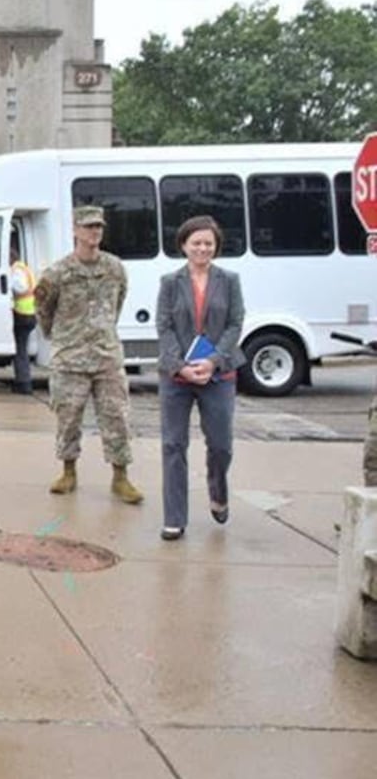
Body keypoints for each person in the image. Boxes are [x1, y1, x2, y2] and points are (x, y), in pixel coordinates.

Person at [34, 205, 144, 504]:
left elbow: (117, 304)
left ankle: (120, 477)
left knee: (117, 418)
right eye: (88, 226)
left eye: (98, 227)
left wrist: (101, 332)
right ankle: (68, 471)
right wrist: (62, 338)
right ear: (75, 231)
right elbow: (43, 311)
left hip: (107, 357)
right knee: (68, 419)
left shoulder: (115, 268)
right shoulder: (57, 273)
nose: (94, 232)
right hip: (70, 358)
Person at [156, 215, 244, 540]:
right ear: (184, 245)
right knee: (173, 445)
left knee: (221, 445)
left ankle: (218, 492)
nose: (202, 248)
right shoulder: (169, 282)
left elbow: (236, 324)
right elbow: (163, 326)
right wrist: (179, 366)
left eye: (208, 243)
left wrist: (212, 361)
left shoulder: (230, 280)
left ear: (216, 246)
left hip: (218, 375)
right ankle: (174, 518)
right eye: (196, 242)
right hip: (176, 377)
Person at [9, 234, 37, 395]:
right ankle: (22, 380)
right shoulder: (24, 267)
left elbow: (19, 287)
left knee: (20, 350)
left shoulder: (17, 270)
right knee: (21, 349)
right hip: (29, 313)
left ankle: (24, 383)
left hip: (22, 314)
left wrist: (9, 289)